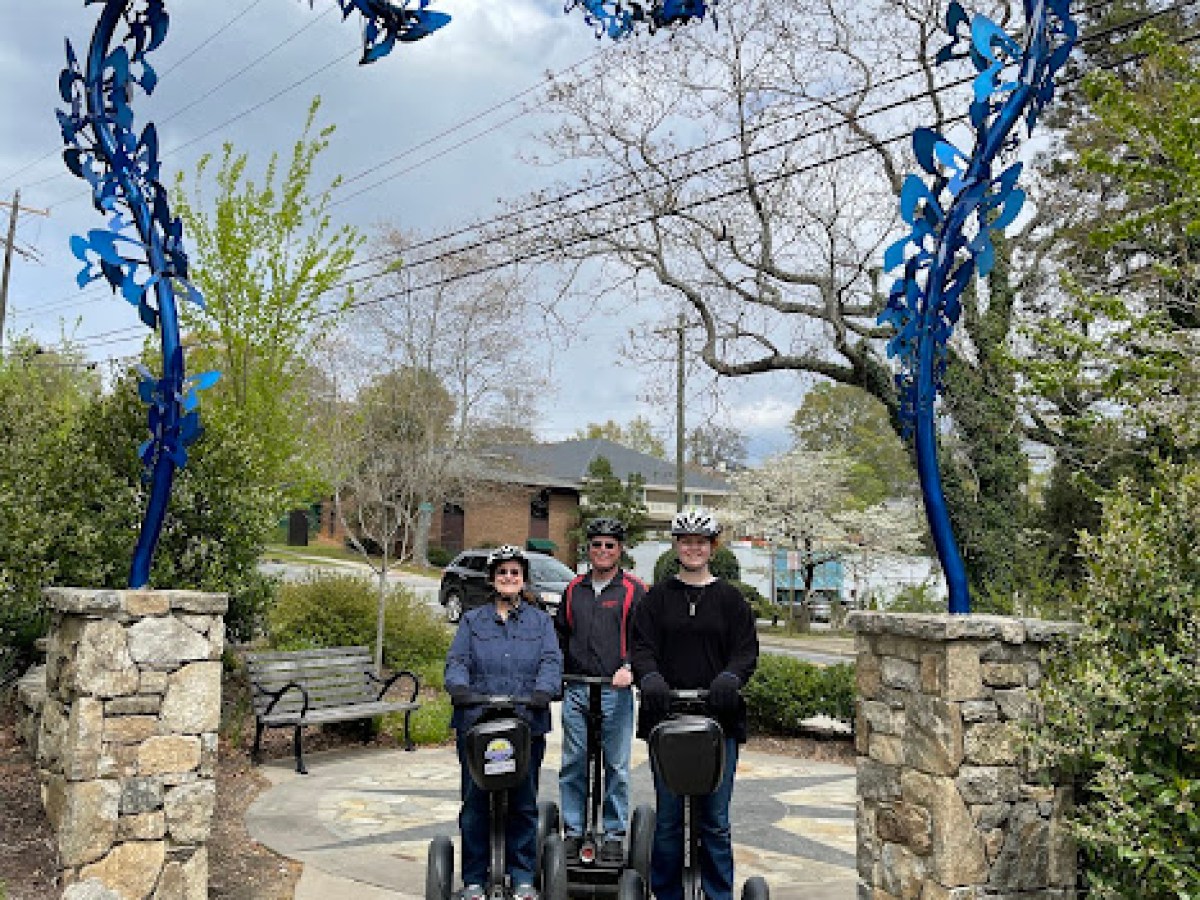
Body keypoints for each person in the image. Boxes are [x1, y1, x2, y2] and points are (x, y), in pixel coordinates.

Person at [630, 509, 759, 900]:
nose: (693, 549)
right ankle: (667, 892)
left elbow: (746, 650)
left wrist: (731, 677)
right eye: (686, 542)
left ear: (712, 547)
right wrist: (649, 676)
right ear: (676, 546)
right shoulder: (656, 599)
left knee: (715, 820)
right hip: (667, 719)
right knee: (669, 819)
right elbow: (641, 647)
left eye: (700, 542)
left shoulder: (730, 600)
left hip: (718, 720)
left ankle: (718, 893)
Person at [444, 545, 563, 900]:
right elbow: (457, 661)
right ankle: (474, 880)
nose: (508, 578)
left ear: (523, 579)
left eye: (514, 572)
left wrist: (544, 691)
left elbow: (551, 661)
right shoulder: (472, 620)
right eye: (502, 572)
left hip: (525, 722)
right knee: (475, 803)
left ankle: (522, 876)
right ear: (492, 578)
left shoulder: (541, 622)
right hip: (477, 723)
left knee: (523, 803)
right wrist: (459, 687)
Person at [554, 517, 647, 863]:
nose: (603, 550)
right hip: (578, 688)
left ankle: (613, 833)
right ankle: (573, 831)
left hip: (615, 690)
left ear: (620, 550)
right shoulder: (574, 589)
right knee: (573, 762)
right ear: (588, 549)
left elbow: (644, 639)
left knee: (616, 766)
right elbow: (560, 635)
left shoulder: (634, 589)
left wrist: (630, 668)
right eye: (597, 545)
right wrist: (557, 673)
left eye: (610, 545)